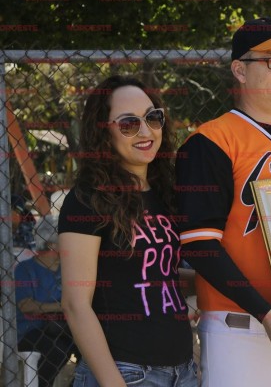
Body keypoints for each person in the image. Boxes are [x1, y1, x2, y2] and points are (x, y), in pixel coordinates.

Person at [175, 17, 271, 386]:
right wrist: (267, 315)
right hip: (239, 329)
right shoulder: (210, 143)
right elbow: (199, 245)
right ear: (240, 70)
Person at [58, 75, 197, 387]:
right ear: (103, 132)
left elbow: (154, 276)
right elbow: (75, 303)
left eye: (152, 118)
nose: (145, 131)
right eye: (128, 124)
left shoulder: (164, 192)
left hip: (183, 371)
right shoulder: (87, 199)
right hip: (127, 373)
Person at [15, 214, 76, 387]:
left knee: (85, 348)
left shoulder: (66, 268)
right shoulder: (25, 269)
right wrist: (59, 306)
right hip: (29, 330)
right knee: (56, 351)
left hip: (61, 326)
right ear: (51, 244)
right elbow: (26, 306)